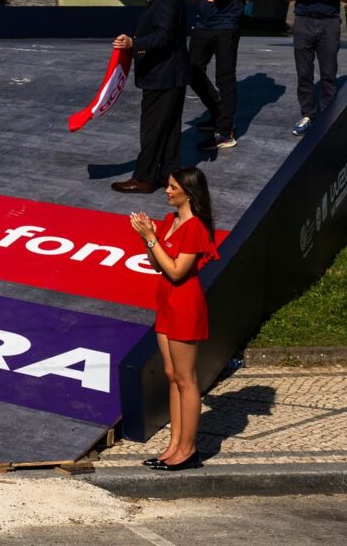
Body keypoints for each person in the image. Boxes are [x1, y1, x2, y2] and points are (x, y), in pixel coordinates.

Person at [129, 167, 219, 472]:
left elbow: (179, 271)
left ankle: (188, 449)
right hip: (166, 301)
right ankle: (174, 445)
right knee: (170, 374)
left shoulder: (195, 228)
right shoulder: (170, 221)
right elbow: (159, 266)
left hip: (184, 304)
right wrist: (147, 238)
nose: (166, 191)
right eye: (167, 186)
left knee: (185, 378)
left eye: (172, 187)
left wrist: (151, 238)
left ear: (188, 192)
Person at [111, 0, 189, 194]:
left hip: (163, 74)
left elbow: (164, 36)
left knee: (153, 127)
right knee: (169, 127)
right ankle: (170, 174)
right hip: (171, 73)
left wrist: (134, 43)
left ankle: (144, 178)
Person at [182, 0, 250, 153]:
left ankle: (225, 130)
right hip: (204, 24)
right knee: (191, 70)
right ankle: (217, 111)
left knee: (225, 78)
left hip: (225, 26)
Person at [286, 0, 347, 138]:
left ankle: (329, 115)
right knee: (304, 73)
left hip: (329, 23)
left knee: (328, 73)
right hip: (304, 21)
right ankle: (308, 114)